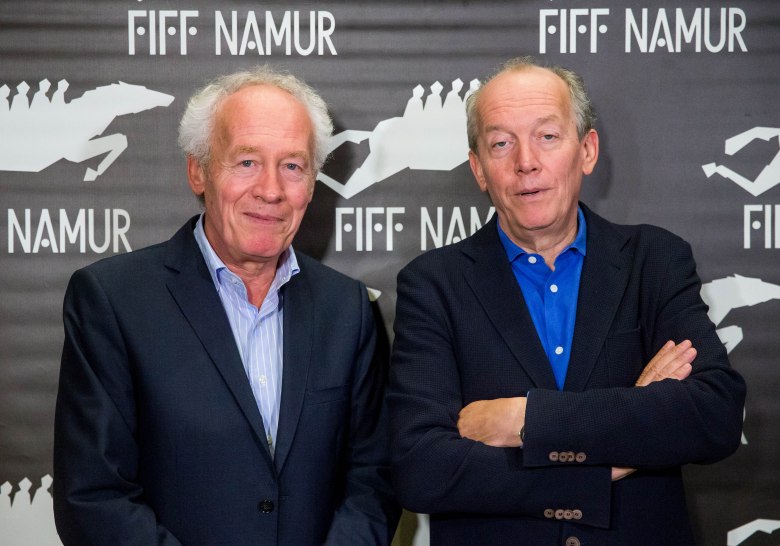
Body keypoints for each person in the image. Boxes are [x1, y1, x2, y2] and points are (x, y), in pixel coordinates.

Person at [388, 56, 746, 546]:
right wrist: (606, 461)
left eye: (547, 136)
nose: (526, 161)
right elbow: (422, 468)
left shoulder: (655, 260)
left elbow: (714, 415)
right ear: (478, 169)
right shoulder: (433, 285)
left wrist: (525, 419)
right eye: (500, 143)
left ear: (587, 150)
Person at [53, 66, 399, 545]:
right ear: (198, 170)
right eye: (247, 162)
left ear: (313, 183)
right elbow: (92, 497)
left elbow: (372, 481)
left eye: (293, 166)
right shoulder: (112, 300)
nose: (271, 190)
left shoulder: (348, 309)